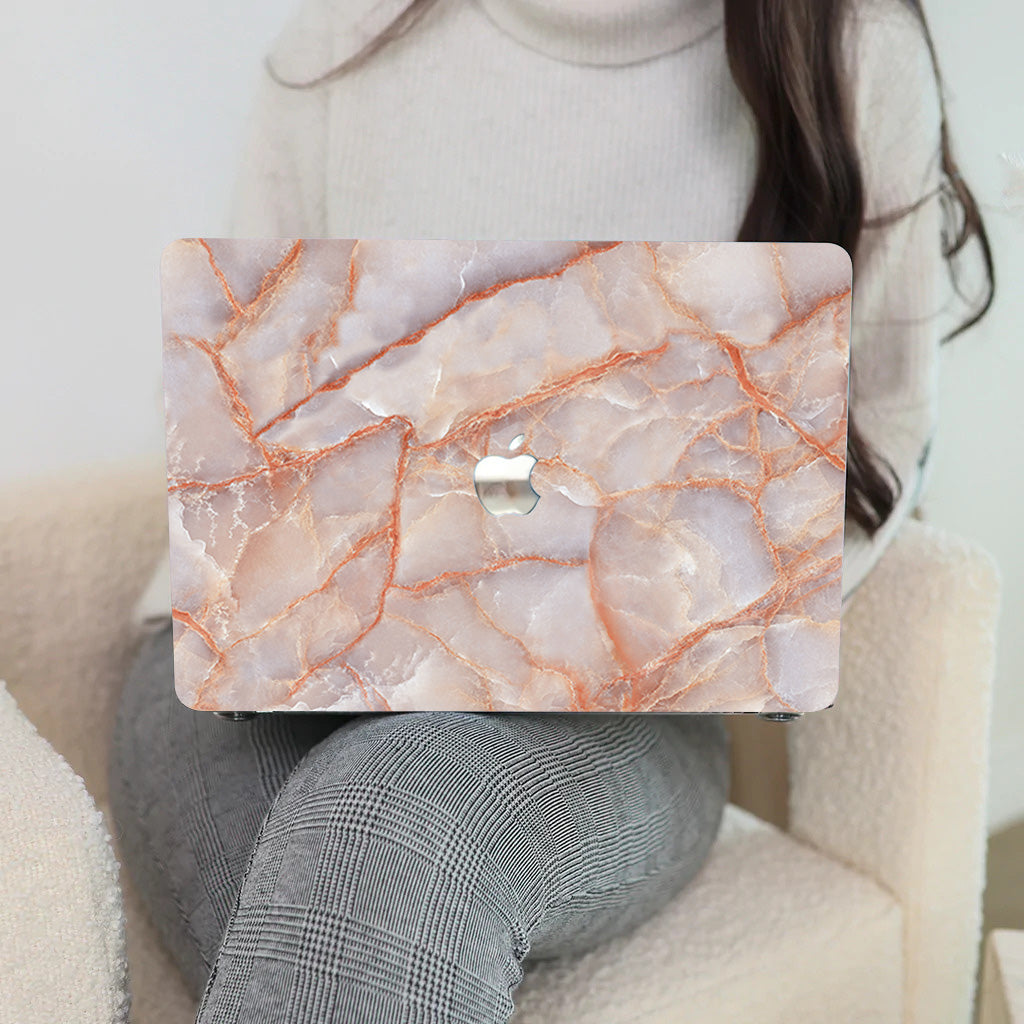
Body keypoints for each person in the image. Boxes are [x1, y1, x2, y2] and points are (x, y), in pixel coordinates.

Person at [111, 0, 993, 1021]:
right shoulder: (344, 37)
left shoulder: (851, 45)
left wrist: (720, 600)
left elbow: (882, 424)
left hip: (620, 716)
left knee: (384, 833)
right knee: (347, 923)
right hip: (256, 668)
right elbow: (238, 403)